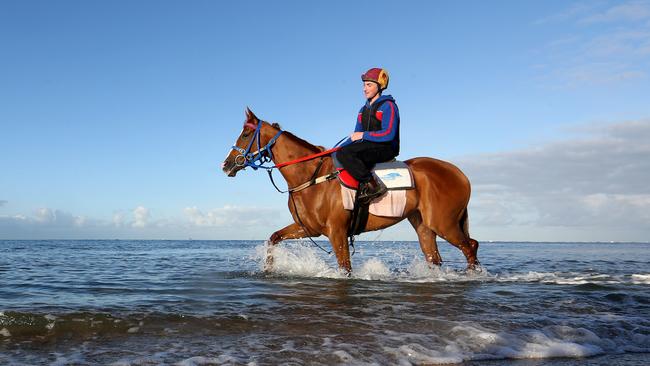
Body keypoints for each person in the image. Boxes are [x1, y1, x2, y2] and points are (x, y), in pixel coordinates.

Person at [337, 67, 400, 204]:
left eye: (369, 85)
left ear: (380, 86)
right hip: (369, 146)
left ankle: (374, 185)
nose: (364, 89)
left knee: (346, 154)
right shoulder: (362, 110)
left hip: (386, 148)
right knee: (340, 153)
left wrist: (362, 135)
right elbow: (355, 137)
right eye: (364, 85)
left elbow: (388, 134)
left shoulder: (388, 106)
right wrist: (335, 150)